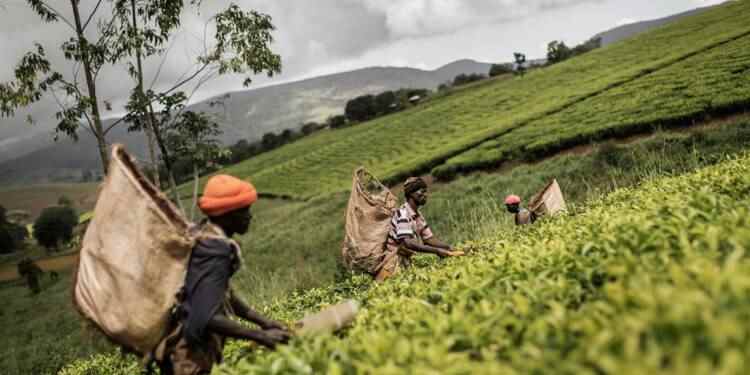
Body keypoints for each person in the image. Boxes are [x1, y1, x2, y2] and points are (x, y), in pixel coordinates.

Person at [157, 174, 292, 375]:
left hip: (185, 350)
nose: (250, 216)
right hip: (188, 358)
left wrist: (264, 322)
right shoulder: (215, 250)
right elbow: (206, 317)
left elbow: (222, 292)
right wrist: (260, 336)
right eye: (244, 210)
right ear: (227, 214)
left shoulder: (204, 234)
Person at [375, 177, 463, 281]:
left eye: (426, 192)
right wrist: (437, 251)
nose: (425, 195)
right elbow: (408, 243)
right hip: (391, 265)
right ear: (412, 193)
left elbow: (429, 239)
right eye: (422, 192)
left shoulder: (417, 216)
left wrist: (449, 247)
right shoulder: (403, 214)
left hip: (404, 262)